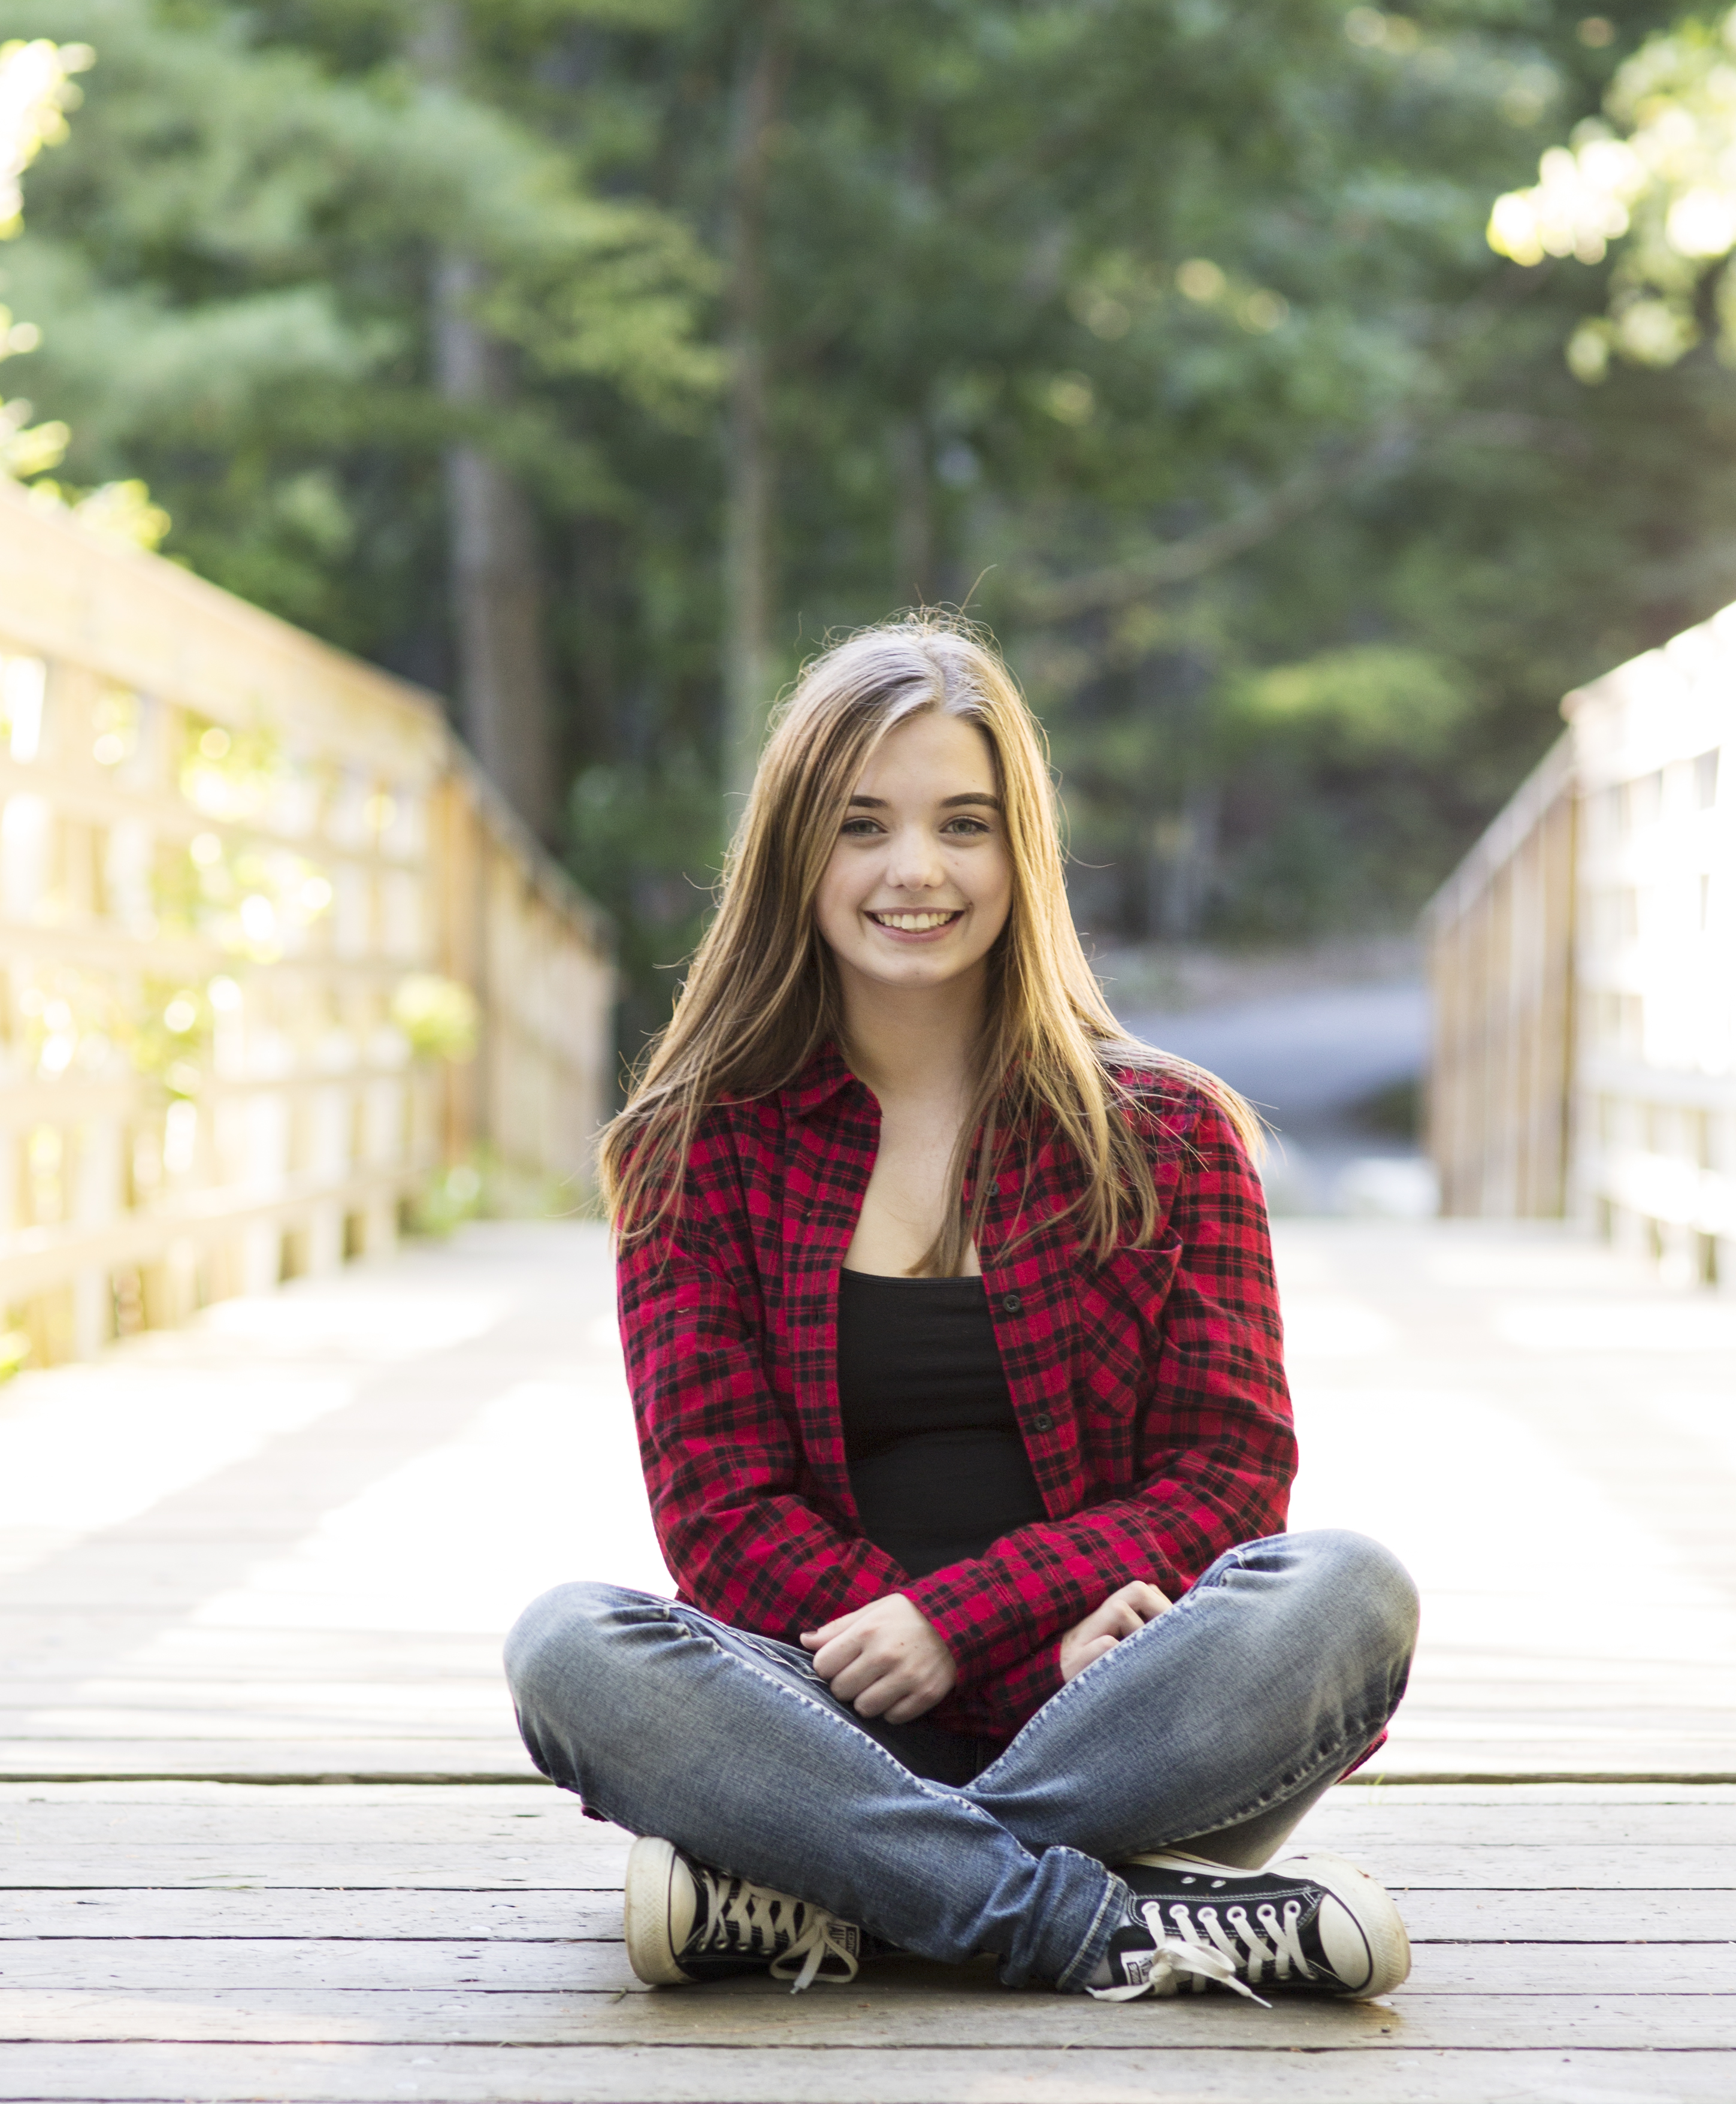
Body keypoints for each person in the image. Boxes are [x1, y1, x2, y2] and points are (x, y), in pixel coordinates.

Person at [504, 619, 1419, 2004]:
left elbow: (1228, 1479)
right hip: (820, 1708)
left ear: (1020, 854)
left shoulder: (1166, 1134)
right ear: (797, 854)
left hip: (1110, 1703)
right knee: (571, 1647)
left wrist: (986, 1629)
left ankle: (821, 1889)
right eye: (863, 825)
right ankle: (1096, 1917)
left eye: (964, 824)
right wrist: (927, 1642)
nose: (915, 870)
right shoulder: (695, 1147)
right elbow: (718, 1515)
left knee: (1347, 1592)